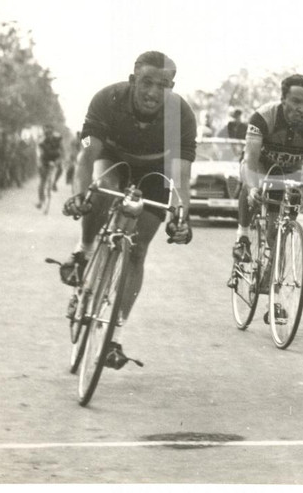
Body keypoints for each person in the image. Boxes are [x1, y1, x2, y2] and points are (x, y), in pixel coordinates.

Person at [62, 50, 195, 369]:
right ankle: (85, 249)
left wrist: (181, 218)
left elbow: (181, 178)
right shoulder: (108, 100)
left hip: (155, 170)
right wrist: (80, 196)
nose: (153, 92)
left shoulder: (181, 115)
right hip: (114, 159)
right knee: (104, 189)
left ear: (171, 87)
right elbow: (86, 159)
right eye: (146, 82)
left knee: (138, 249)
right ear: (133, 80)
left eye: (163, 85)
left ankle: (114, 335)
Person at [230, 75, 303, 322]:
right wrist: (254, 188)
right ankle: (243, 235)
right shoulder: (263, 116)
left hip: (287, 175)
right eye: (295, 101)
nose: (301, 109)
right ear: (282, 98)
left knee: (278, 236)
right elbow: (250, 160)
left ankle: (275, 301)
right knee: (250, 187)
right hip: (260, 167)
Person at [36, 125, 64, 208]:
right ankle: (41, 200)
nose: (48, 134)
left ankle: (54, 182)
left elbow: (61, 150)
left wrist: (60, 159)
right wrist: (40, 162)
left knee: (60, 169)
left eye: (50, 132)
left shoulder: (57, 138)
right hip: (44, 159)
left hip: (55, 158)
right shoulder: (41, 140)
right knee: (42, 181)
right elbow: (39, 151)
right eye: (47, 133)